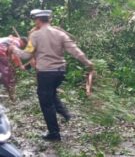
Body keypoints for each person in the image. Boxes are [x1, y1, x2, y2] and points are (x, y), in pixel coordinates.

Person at [10, 9, 93, 141]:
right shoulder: (60, 34)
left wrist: (14, 49)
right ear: (48, 19)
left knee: (46, 102)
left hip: (46, 73)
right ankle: (65, 114)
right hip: (60, 72)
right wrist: (87, 62)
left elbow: (26, 55)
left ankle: (54, 133)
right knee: (51, 94)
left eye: (34, 20)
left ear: (38, 20)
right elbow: (74, 50)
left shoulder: (35, 36)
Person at [0, 36, 27, 101]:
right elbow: (16, 54)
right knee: (8, 73)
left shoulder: (12, 38)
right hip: (1, 51)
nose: (22, 47)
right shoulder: (17, 42)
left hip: (2, 50)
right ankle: (11, 91)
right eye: (23, 46)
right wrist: (20, 65)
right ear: (22, 42)